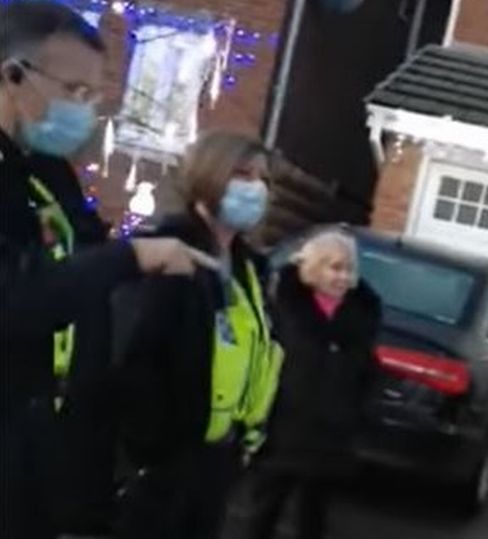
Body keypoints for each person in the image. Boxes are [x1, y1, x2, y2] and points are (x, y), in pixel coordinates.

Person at [0, 3, 215, 537]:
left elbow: (90, 263)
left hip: (44, 450)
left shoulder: (47, 173)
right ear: (12, 75)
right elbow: (15, 299)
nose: (88, 109)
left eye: (94, 94)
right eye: (75, 91)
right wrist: (131, 258)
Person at [113, 131, 284, 539]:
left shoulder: (250, 269)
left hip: (216, 461)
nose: (256, 188)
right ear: (210, 177)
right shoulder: (166, 251)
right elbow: (134, 355)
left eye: (264, 179)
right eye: (243, 174)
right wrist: (152, 450)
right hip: (162, 466)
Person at [247, 230, 381, 539]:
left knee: (314, 517)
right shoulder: (285, 306)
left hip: (331, 435)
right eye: (335, 267)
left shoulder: (360, 315)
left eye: (349, 269)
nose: (343, 276)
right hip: (283, 428)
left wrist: (358, 415)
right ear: (314, 267)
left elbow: (367, 372)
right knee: (264, 510)